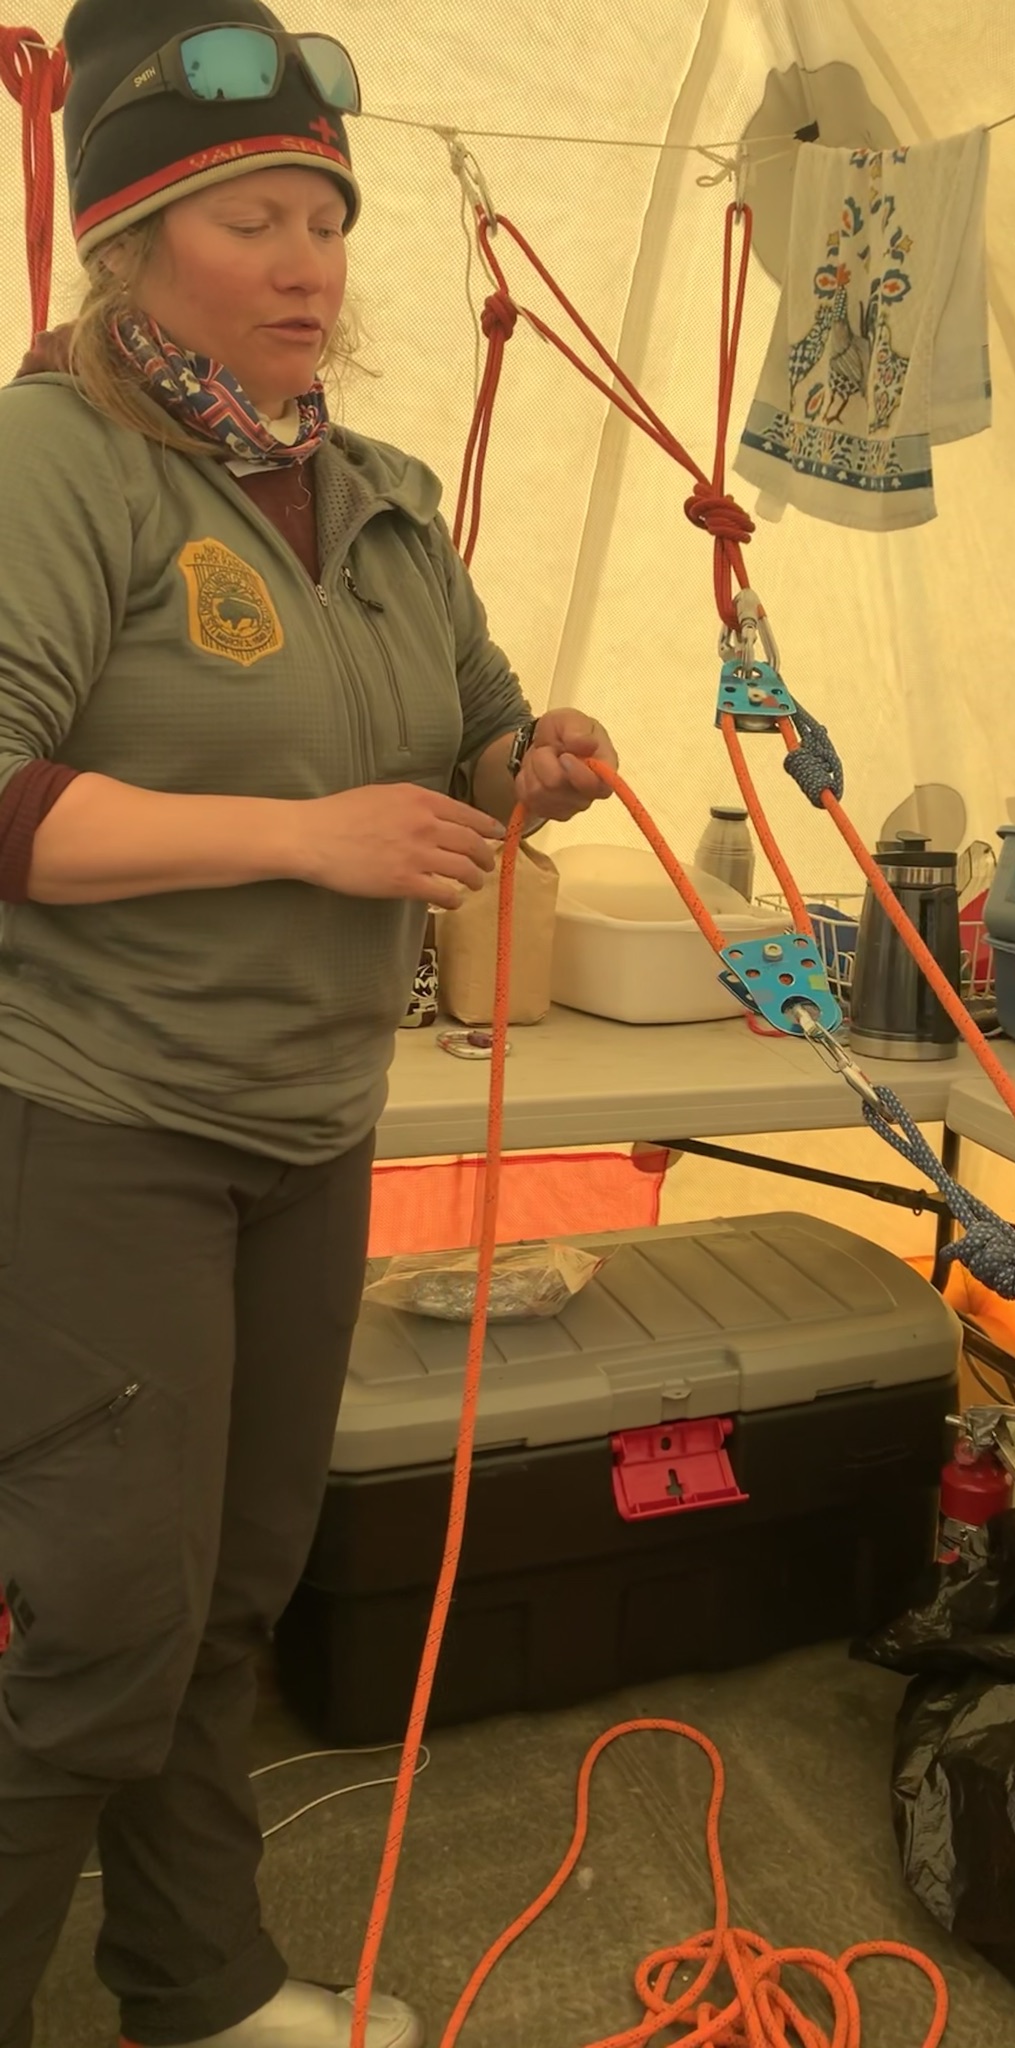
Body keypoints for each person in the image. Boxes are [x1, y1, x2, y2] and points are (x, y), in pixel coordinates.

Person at [0, 5, 618, 2044]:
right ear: (134, 243)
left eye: (326, 225)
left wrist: (534, 762)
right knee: (94, 1624)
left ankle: (197, 1984)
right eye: (251, 219)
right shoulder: (56, 457)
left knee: (228, 1598)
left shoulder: (376, 491)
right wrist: (305, 836)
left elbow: (463, 726)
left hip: (309, 1123)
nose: (306, 266)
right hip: (102, 1124)